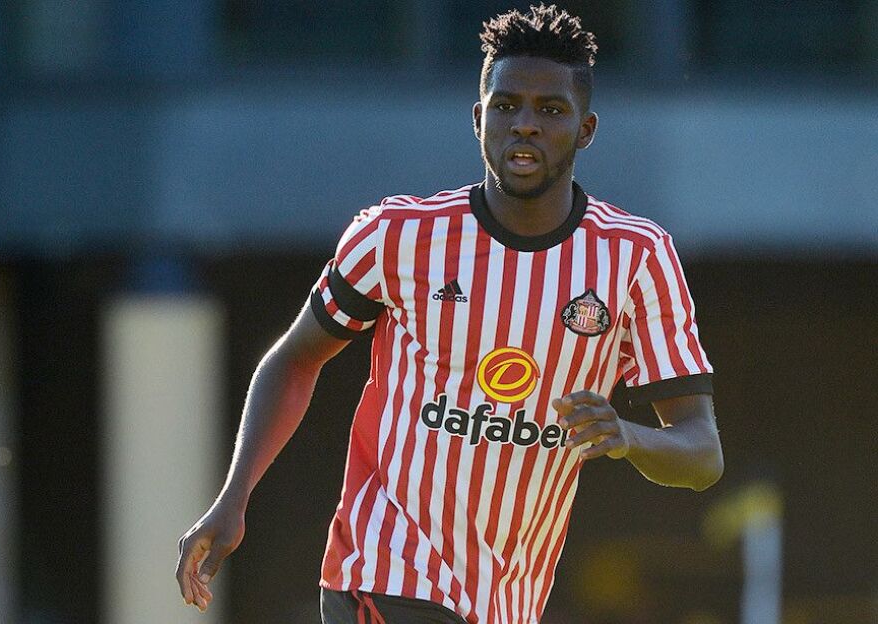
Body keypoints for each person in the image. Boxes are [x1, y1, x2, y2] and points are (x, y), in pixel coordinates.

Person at [176, 5, 724, 623]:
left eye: (551, 110)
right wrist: (233, 497)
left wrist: (627, 436)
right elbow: (295, 359)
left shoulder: (635, 258)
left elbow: (702, 455)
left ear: (586, 129)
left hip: (507, 599)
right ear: (478, 118)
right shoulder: (397, 236)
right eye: (506, 105)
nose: (525, 125)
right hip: (385, 569)